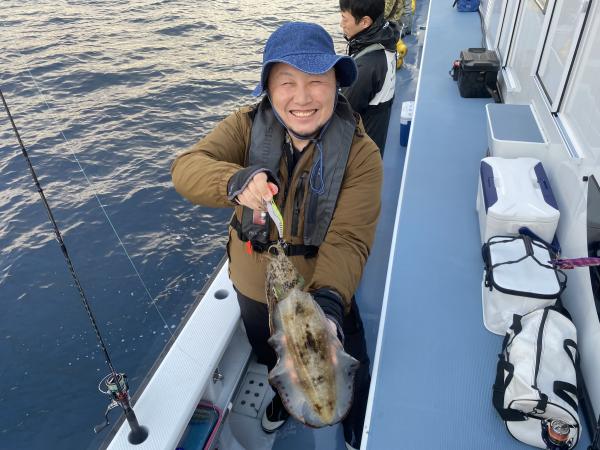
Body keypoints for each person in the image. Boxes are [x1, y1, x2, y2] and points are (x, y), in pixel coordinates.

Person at [171, 22, 382, 450]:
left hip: (320, 289)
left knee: (347, 356)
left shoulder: (361, 154)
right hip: (255, 289)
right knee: (271, 353)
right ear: (268, 89)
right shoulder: (245, 126)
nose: (302, 98)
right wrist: (234, 181)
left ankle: (356, 424)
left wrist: (327, 308)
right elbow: (187, 168)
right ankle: (286, 402)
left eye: (316, 81)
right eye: (287, 82)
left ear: (336, 84)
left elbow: (348, 239)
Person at [339, 0, 400, 156]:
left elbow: (341, 117)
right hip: (376, 140)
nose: (341, 24)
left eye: (344, 19)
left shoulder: (365, 68)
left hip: (361, 155)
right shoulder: (387, 39)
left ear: (365, 22)